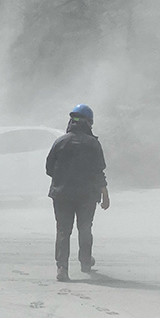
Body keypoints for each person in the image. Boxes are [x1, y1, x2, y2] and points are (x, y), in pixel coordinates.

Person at [45, 104, 110, 282]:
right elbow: (99, 171)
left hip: (61, 194)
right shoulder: (93, 143)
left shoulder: (60, 142)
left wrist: (63, 178)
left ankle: (62, 268)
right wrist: (105, 194)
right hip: (87, 196)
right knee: (85, 229)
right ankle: (85, 262)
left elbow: (49, 169)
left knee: (63, 231)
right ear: (89, 123)